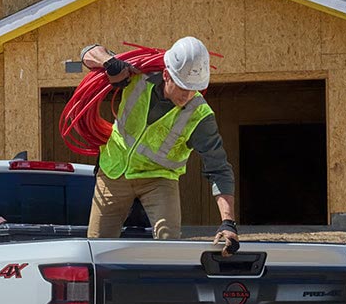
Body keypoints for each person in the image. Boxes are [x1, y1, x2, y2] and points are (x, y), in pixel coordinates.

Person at [80, 37, 238, 252]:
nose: (188, 95)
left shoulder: (200, 116)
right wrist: (110, 63)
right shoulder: (137, 76)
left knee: (168, 245)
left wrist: (228, 222)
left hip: (159, 179)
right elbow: (88, 52)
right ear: (166, 75)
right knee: (96, 246)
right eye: (183, 86)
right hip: (114, 172)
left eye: (195, 88)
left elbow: (219, 169)